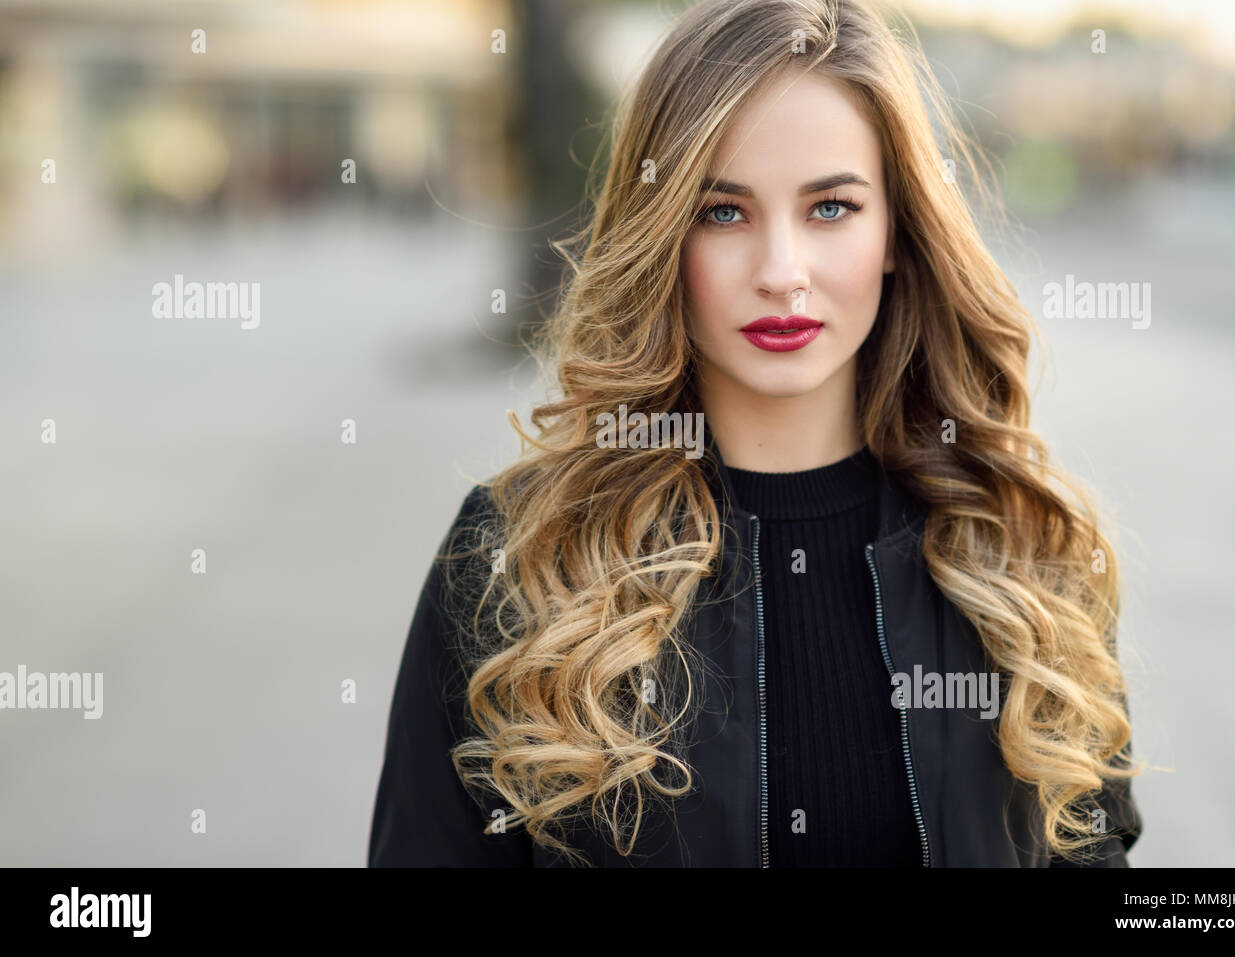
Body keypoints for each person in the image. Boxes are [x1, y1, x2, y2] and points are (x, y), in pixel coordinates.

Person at [368, 0, 1144, 867]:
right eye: (723, 213)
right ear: (661, 234)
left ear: (897, 230)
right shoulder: (516, 559)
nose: (782, 273)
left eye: (832, 208)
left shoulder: (1028, 556)